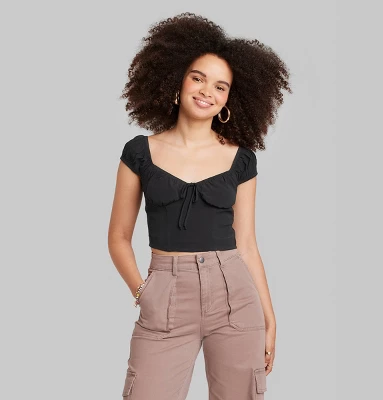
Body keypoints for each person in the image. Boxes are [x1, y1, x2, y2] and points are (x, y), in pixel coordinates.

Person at [108, 12, 292, 400]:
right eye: (198, 78)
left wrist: (269, 315)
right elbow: (119, 237)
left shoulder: (241, 159)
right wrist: (143, 292)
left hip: (235, 297)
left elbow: (247, 243)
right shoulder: (139, 152)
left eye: (220, 86)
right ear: (177, 80)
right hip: (166, 293)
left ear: (229, 99)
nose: (207, 91)